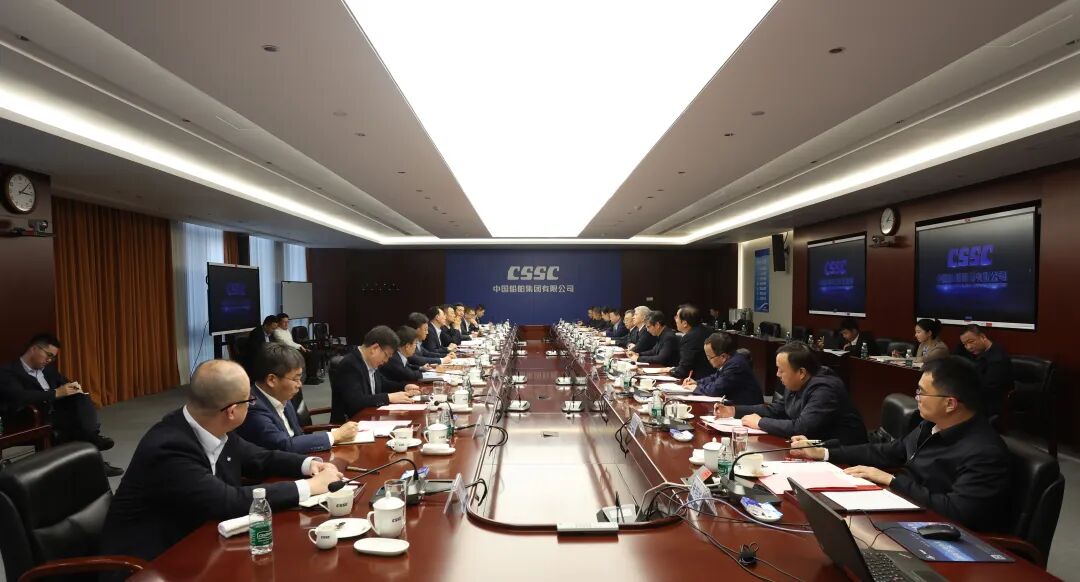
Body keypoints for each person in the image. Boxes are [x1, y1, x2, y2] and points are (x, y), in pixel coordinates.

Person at [100, 359, 344, 563]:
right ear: (232, 411)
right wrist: (310, 487)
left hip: (198, 539)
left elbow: (259, 457)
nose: (253, 404)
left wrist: (309, 464)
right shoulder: (169, 448)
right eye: (250, 400)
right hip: (151, 562)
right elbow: (227, 501)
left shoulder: (209, 424)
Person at [789, 357, 1012, 532]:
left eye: (922, 393)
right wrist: (824, 452)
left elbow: (957, 512)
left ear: (950, 404)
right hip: (903, 509)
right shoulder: (930, 425)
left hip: (939, 532)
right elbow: (888, 451)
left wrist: (892, 481)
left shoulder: (984, 452)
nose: (917, 398)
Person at [0, 333, 123, 476]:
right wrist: (56, 393)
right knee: (77, 424)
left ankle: (92, 438)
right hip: (31, 416)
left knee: (80, 397)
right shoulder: (9, 371)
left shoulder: (48, 370)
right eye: (48, 355)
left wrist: (74, 388)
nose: (49, 360)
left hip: (57, 412)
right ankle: (94, 446)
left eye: (53, 357)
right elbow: (20, 397)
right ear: (34, 349)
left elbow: (66, 384)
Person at [714, 341, 866, 444]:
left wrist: (760, 423)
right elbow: (776, 409)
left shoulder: (825, 389)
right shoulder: (797, 382)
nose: (777, 374)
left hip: (843, 456)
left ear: (801, 372)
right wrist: (733, 410)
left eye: (781, 370)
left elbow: (801, 427)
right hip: (813, 448)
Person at [236, 343, 358, 453]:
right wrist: (335, 436)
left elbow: (297, 435)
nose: (300, 384)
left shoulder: (280, 394)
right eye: (295, 379)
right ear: (272, 380)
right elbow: (283, 445)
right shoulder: (252, 408)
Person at [330, 326, 421, 423]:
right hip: (350, 425)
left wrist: (404, 387)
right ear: (375, 348)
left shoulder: (370, 363)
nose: (386, 360)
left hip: (370, 419)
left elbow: (382, 383)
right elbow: (356, 401)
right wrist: (388, 397)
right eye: (386, 355)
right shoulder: (350, 364)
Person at [682, 332, 763, 405]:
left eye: (710, 357)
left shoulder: (735, 365)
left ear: (723, 356)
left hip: (748, 409)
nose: (708, 360)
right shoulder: (730, 361)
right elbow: (714, 377)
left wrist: (696, 388)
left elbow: (715, 390)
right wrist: (697, 382)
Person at [955, 324, 1012, 417]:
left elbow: (987, 389)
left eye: (971, 342)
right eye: (965, 344)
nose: (968, 347)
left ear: (983, 337)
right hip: (977, 398)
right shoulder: (978, 352)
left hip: (990, 405)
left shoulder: (997, 359)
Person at [667, 305, 714, 380]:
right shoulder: (708, 329)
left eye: (677, 317)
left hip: (699, 380)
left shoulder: (690, 338)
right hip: (713, 377)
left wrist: (668, 371)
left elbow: (683, 371)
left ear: (685, 323)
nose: (675, 319)